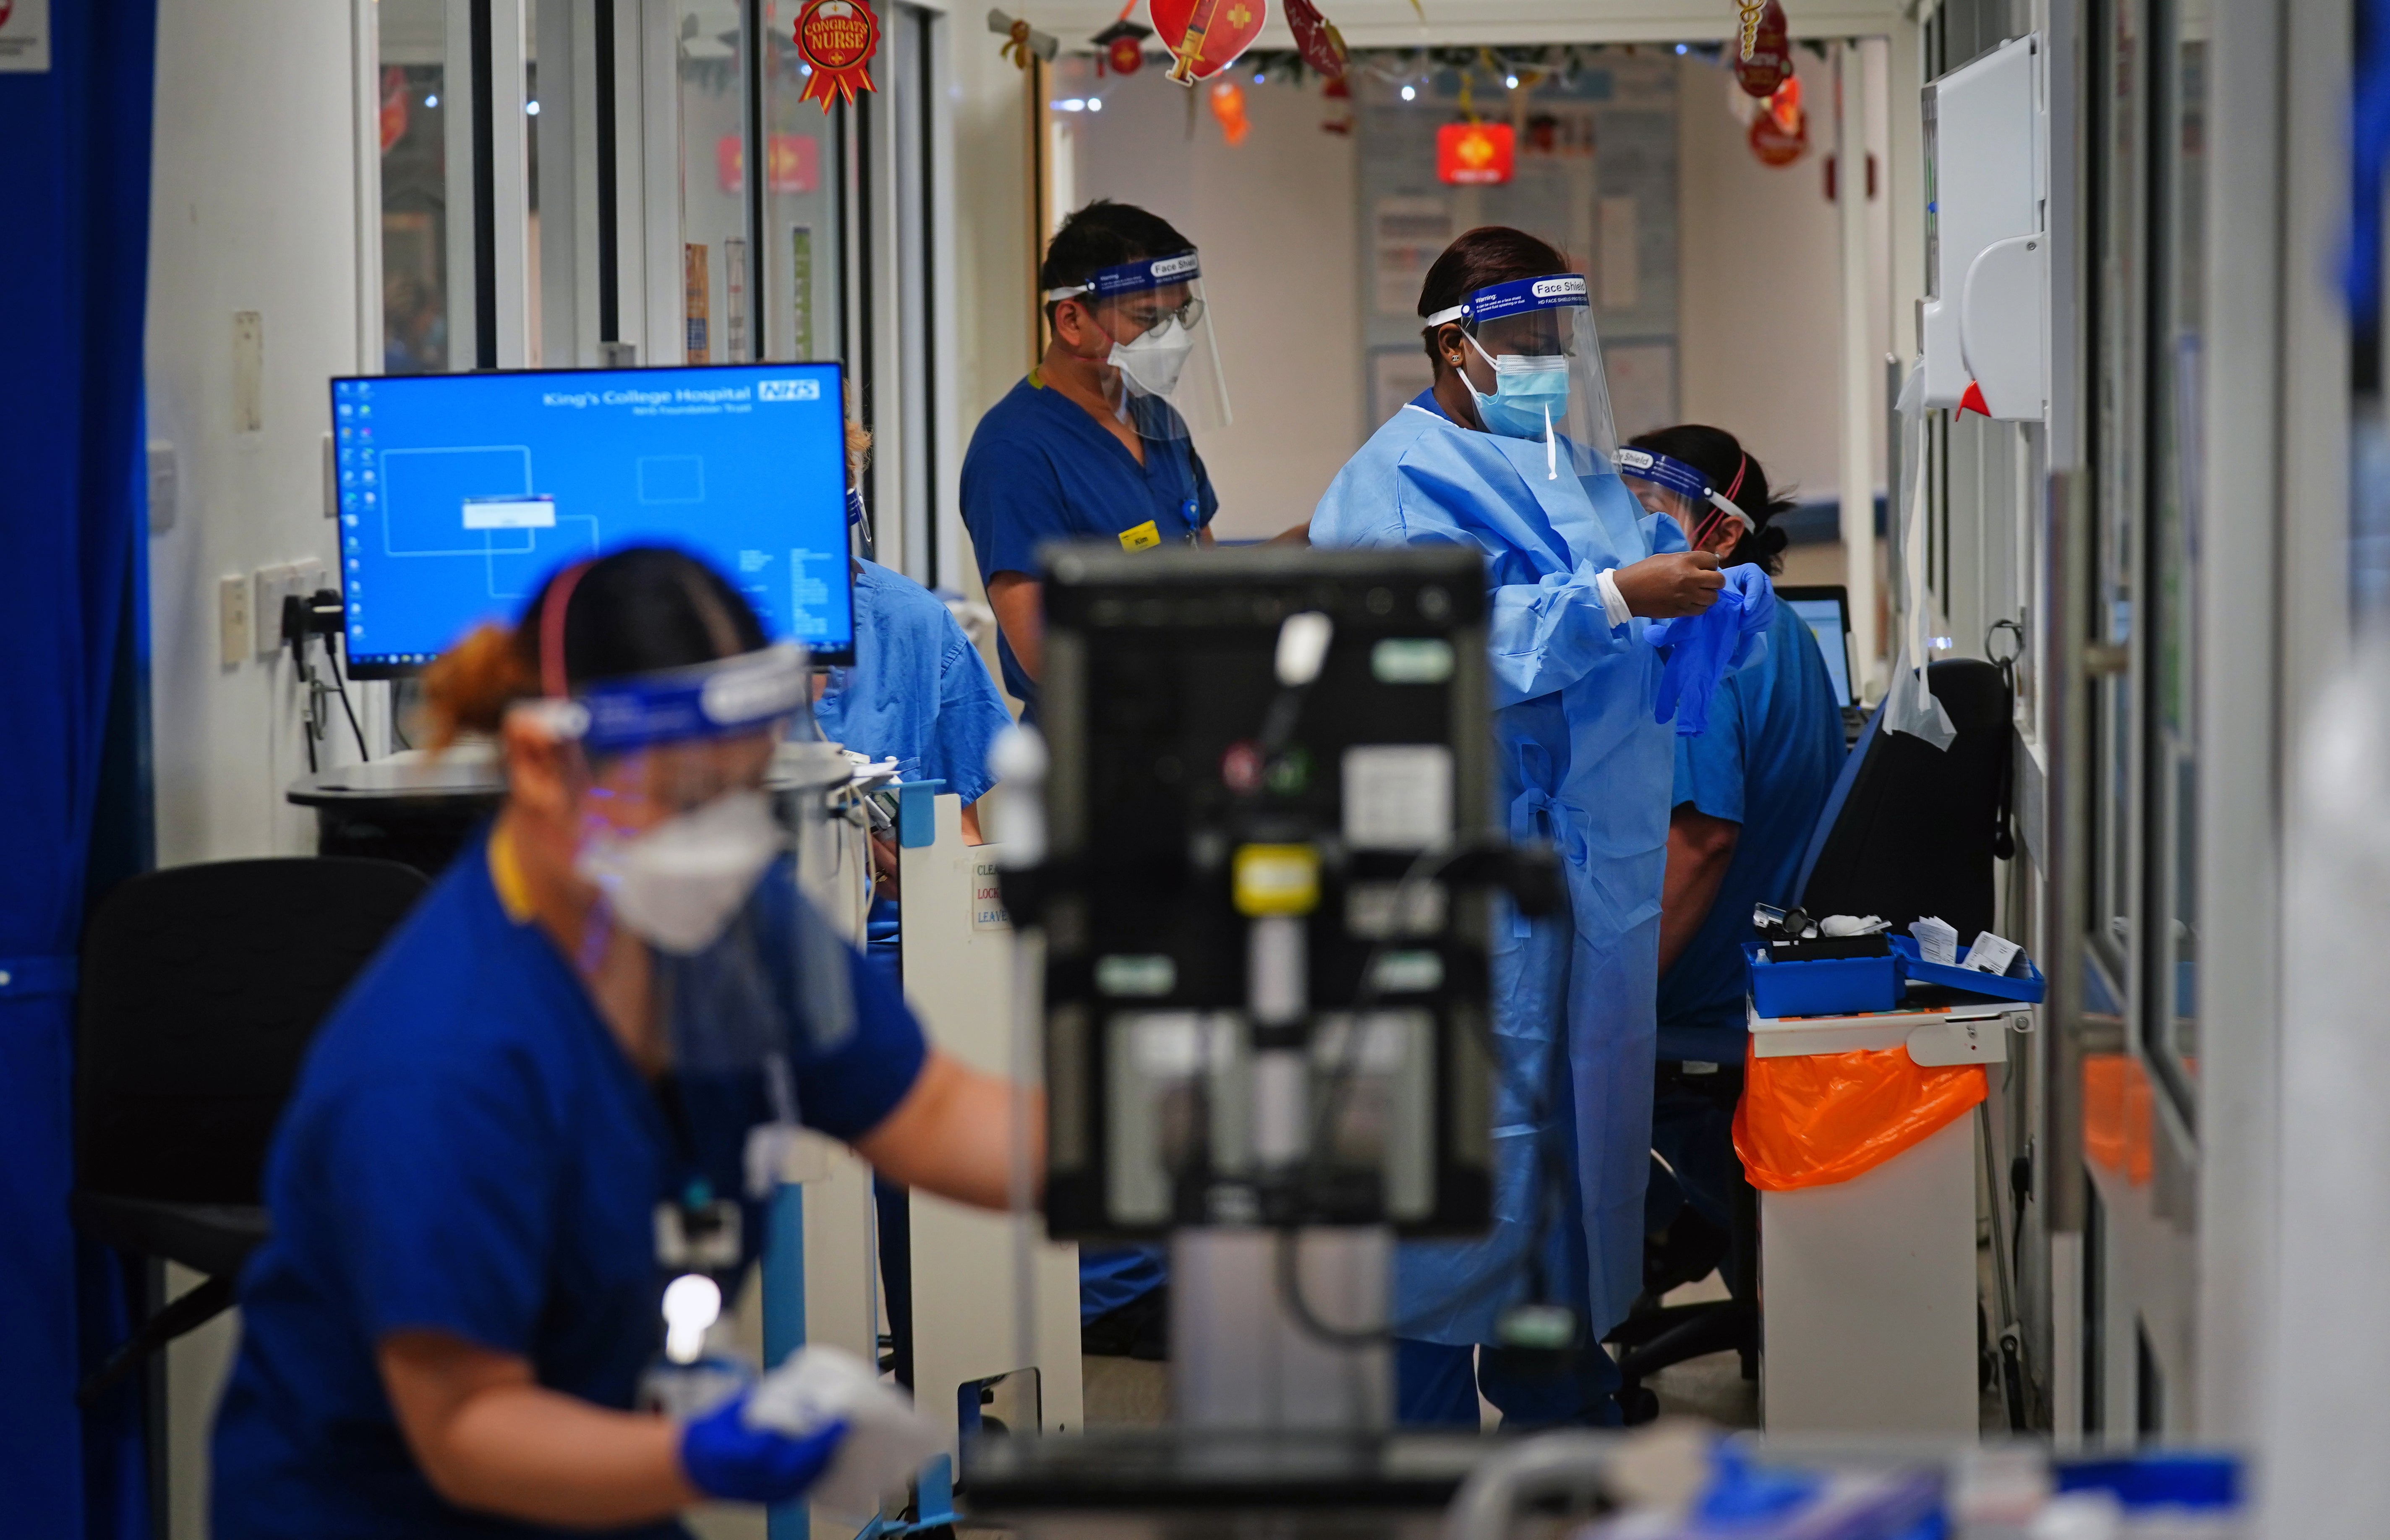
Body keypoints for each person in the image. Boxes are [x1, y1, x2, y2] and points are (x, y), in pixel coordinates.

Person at [211, 548, 1034, 1537]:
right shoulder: (442, 1061)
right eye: (679, 798)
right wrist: (700, 1453)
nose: (720, 843)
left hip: (602, 1475)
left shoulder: (737, 930)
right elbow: (468, 1426)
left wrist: (1156, 1144)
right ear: (540, 765)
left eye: (742, 794)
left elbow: (931, 1113)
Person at [1309, 226, 1724, 1428]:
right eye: (1525, 339)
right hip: (1457, 897)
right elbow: (1406, 648)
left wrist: (1700, 587)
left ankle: (1562, 1427)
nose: (1547, 361)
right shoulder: (1388, 484)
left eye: (1559, 340)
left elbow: (1632, 583)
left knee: (1565, 1176)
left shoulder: (1565, 465)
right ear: (1453, 344)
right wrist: (1604, 599)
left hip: (1583, 891)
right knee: (1452, 1188)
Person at [1629, 427, 1845, 1287]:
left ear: (1717, 534)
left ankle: (1663, 1226)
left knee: (1507, 1063)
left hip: (1709, 980)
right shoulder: (1777, 623)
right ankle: (1694, 1218)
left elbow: (1702, 841)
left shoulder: (1709, 631)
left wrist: (1614, 1000)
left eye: (1649, 517)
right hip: (1757, 955)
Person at [959, 199, 1228, 722]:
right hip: (1093, 741)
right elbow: (1043, 654)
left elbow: (1210, 574)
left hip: (1182, 722)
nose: (1169, 338)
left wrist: (1319, 534)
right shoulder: (1014, 451)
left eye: (1178, 317)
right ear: (1072, 320)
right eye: (1148, 319)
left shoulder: (1161, 422)